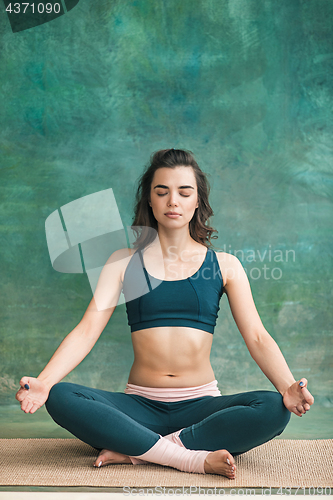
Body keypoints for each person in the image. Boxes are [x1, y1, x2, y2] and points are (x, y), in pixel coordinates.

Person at [16, 149, 314, 479]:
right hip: (138, 407)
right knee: (61, 396)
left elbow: (257, 336)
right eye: (162, 192)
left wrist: (288, 386)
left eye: (184, 192)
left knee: (274, 408)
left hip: (202, 408)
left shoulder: (225, 265)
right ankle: (190, 457)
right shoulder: (123, 261)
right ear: (150, 200)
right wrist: (43, 382)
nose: (173, 200)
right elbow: (87, 330)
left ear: (197, 200)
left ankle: (141, 452)